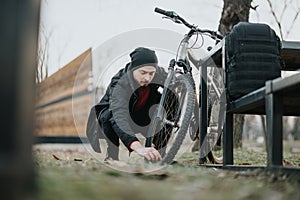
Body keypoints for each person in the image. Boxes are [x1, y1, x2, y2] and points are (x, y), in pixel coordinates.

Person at [87, 47, 169, 162]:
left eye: (151, 74)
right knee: (108, 116)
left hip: (140, 115)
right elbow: (118, 116)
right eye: (143, 73)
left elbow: (174, 80)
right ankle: (112, 155)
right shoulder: (119, 82)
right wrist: (138, 148)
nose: (147, 78)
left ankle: (160, 155)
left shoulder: (157, 73)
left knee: (165, 105)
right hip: (117, 118)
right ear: (133, 69)